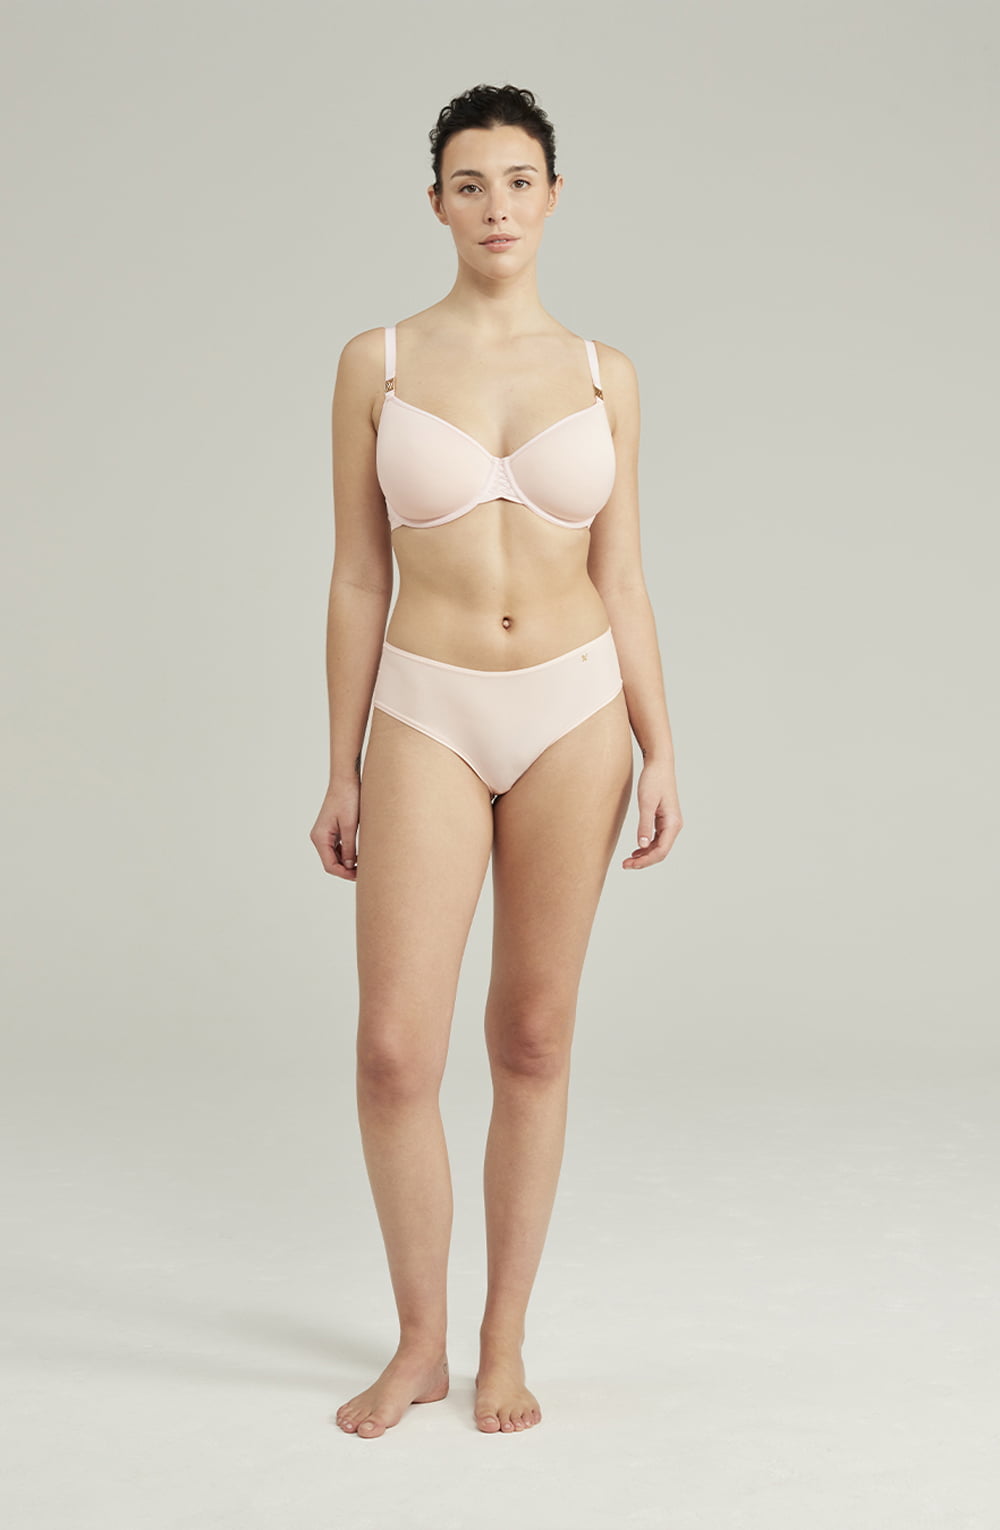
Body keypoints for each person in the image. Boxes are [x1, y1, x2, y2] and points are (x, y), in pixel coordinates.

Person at [310, 83, 682, 1439]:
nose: (497, 206)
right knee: (394, 1050)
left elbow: (622, 573)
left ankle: (501, 1340)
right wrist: (341, 765)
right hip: (427, 708)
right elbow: (359, 575)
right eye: (469, 183)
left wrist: (661, 745)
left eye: (519, 180)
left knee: (532, 1035)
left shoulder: (603, 374)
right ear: (436, 204)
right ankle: (417, 1343)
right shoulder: (378, 362)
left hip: (577, 709)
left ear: (554, 196)